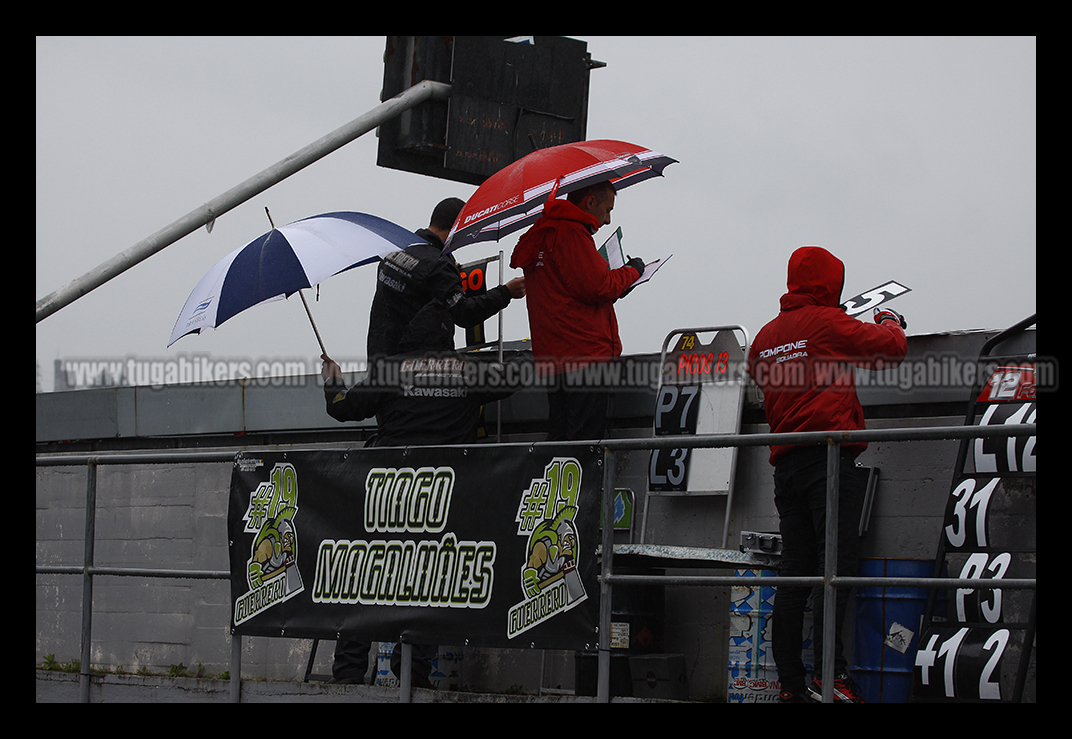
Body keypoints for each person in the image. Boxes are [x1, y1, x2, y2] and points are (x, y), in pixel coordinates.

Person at [321, 300, 527, 687]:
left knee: (366, 578)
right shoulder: (468, 371)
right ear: (447, 339)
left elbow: (343, 409)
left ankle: (348, 672)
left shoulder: (389, 371)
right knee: (429, 582)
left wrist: (332, 379)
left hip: (387, 496)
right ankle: (413, 672)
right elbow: (517, 377)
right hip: (443, 500)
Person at [746, 245, 907, 703]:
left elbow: (765, 375)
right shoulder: (825, 323)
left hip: (786, 465)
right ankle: (831, 678)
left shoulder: (765, 336)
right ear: (829, 284)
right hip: (828, 460)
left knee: (795, 573)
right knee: (835, 570)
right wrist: (889, 319)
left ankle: (792, 687)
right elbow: (890, 350)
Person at [509, 180, 644, 441]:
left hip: (554, 356)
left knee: (560, 436)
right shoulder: (571, 233)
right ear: (590, 202)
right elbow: (598, 287)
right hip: (584, 355)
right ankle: (583, 484)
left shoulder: (543, 232)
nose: (607, 220)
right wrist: (633, 271)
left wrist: (614, 284)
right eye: (607, 210)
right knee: (583, 442)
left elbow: (570, 291)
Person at [367, 197, 525, 362]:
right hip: (416, 368)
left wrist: (447, 269)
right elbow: (464, 313)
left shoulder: (396, 251)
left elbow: (416, 287)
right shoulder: (438, 266)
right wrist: (506, 292)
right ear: (458, 229)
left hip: (380, 360)